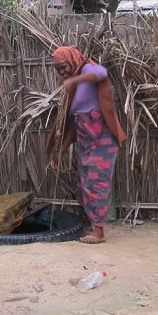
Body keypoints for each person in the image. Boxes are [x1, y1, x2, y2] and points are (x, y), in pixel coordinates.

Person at [46, 45, 127, 244]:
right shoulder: (74, 88)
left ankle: (99, 232)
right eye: (59, 70)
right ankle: (91, 223)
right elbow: (74, 127)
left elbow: (102, 72)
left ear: (72, 59)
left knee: (96, 184)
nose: (63, 72)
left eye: (64, 66)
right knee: (83, 186)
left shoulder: (87, 70)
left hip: (102, 142)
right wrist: (59, 153)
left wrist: (74, 80)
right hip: (85, 144)